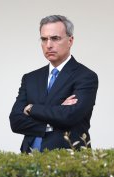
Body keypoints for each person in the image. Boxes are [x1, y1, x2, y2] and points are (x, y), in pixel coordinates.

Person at [9, 15, 98, 153]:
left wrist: (32, 108)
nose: (49, 45)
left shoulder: (85, 76)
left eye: (55, 38)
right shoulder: (30, 78)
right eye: (44, 39)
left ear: (70, 40)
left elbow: (69, 116)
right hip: (29, 159)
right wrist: (57, 111)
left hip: (67, 160)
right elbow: (15, 121)